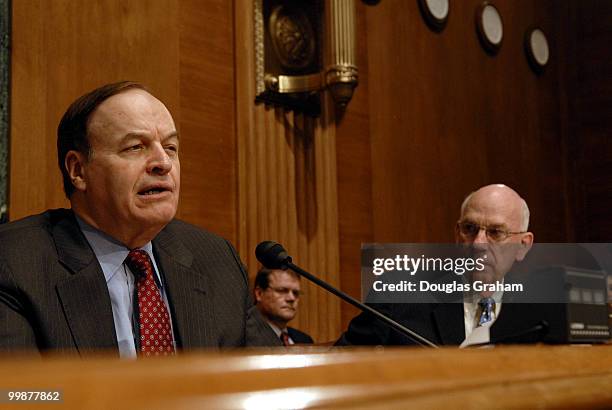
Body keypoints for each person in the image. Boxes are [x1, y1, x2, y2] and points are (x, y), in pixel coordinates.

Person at [0, 81, 279, 357]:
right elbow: (20, 397)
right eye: (135, 147)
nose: (163, 163)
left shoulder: (216, 259)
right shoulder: (16, 263)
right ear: (78, 170)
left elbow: (274, 386)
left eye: (170, 147)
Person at [337, 184, 536, 346]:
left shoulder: (538, 308)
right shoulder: (399, 295)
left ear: (523, 246)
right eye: (470, 229)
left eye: (495, 232)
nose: (478, 243)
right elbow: (339, 370)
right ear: (457, 235)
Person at [254, 268, 314, 345]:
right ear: (259, 293)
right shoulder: (244, 340)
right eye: (282, 290)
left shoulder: (305, 340)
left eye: (295, 293)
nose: (292, 298)